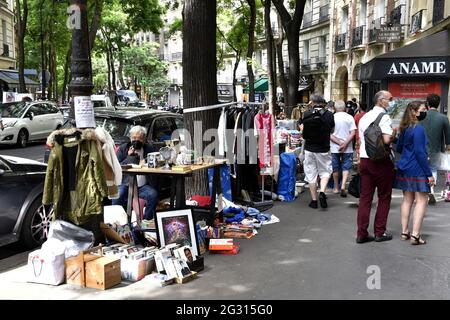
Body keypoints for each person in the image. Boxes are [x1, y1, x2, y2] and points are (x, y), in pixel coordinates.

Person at [356, 90, 396, 244]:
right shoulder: (384, 117)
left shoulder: (365, 116)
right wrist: (394, 133)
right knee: (384, 197)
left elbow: (361, 140)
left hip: (365, 160)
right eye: (390, 99)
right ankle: (380, 231)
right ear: (381, 100)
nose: (392, 102)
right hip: (381, 162)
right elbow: (386, 140)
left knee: (365, 198)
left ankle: (362, 233)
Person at [394, 101, 434, 245]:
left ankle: (405, 232)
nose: (425, 112)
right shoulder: (419, 129)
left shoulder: (405, 128)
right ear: (414, 112)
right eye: (423, 109)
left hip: (405, 166)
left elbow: (398, 148)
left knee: (407, 199)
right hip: (417, 168)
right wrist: (429, 174)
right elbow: (419, 153)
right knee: (422, 200)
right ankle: (416, 235)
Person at [113, 125, 159, 220]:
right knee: (118, 196)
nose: (136, 141)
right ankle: (118, 222)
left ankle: (146, 221)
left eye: (139, 138)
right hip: (126, 184)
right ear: (130, 138)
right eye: (134, 138)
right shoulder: (123, 149)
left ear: (144, 139)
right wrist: (130, 157)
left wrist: (146, 163)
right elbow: (117, 166)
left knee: (153, 195)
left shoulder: (150, 149)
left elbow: (157, 162)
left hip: (142, 186)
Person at [298, 94, 335, 209]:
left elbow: (302, 132)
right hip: (324, 148)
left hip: (309, 148)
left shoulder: (307, 114)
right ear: (323, 103)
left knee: (311, 174)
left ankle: (314, 201)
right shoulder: (329, 115)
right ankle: (322, 192)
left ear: (312, 102)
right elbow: (332, 130)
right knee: (325, 172)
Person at [420, 93, 450, 205]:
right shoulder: (443, 118)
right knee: (433, 169)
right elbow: (448, 136)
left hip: (421, 148)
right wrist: (448, 147)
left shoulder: (421, 116)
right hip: (436, 149)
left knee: (422, 169)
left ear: (427, 103)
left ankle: (425, 191)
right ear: (438, 104)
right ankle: (431, 190)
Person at [330, 100, 357, 197]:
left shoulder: (331, 117)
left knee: (335, 168)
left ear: (335, 108)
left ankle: (336, 187)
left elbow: (329, 134)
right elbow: (353, 133)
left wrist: (339, 143)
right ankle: (343, 186)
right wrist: (345, 143)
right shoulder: (349, 117)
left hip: (334, 147)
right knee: (346, 167)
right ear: (345, 108)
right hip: (348, 147)